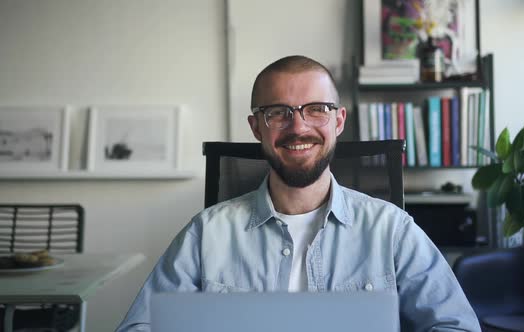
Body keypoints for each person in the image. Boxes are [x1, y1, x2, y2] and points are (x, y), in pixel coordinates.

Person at [116, 55, 481, 331]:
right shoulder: (206, 233)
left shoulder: (392, 230)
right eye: (278, 112)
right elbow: (141, 326)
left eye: (316, 110)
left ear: (338, 121)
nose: (298, 127)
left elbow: (456, 325)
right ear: (257, 127)